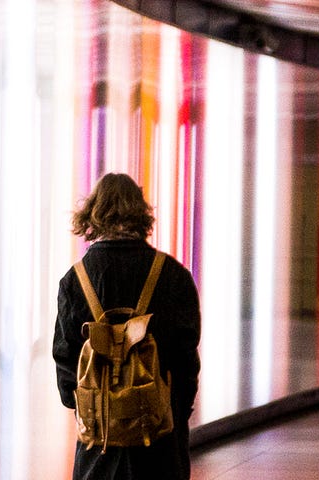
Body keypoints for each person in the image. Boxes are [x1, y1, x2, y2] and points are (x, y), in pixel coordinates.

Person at [52, 173, 201, 480]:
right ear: (140, 214)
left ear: (93, 212)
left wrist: (93, 406)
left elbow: (65, 361)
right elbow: (186, 361)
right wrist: (176, 410)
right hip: (159, 442)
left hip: (99, 442)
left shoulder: (75, 280)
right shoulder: (174, 276)